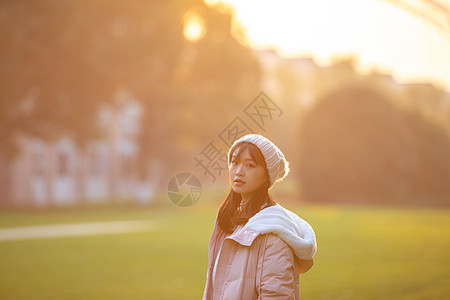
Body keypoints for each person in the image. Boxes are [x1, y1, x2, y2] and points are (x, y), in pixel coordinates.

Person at [202, 133, 317, 300]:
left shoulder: (274, 234)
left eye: (250, 165)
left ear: (266, 175)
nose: (239, 172)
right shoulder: (230, 223)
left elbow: (276, 295)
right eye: (234, 162)